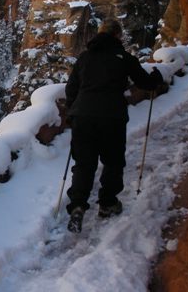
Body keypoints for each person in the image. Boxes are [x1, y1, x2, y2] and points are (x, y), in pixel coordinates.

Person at [64, 19, 163, 233]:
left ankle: (78, 206)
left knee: (84, 163)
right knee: (113, 161)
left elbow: (72, 88)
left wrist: (73, 111)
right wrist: (156, 77)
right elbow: (145, 83)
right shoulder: (124, 58)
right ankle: (108, 204)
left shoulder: (84, 57)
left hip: (83, 116)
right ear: (117, 36)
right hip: (112, 117)